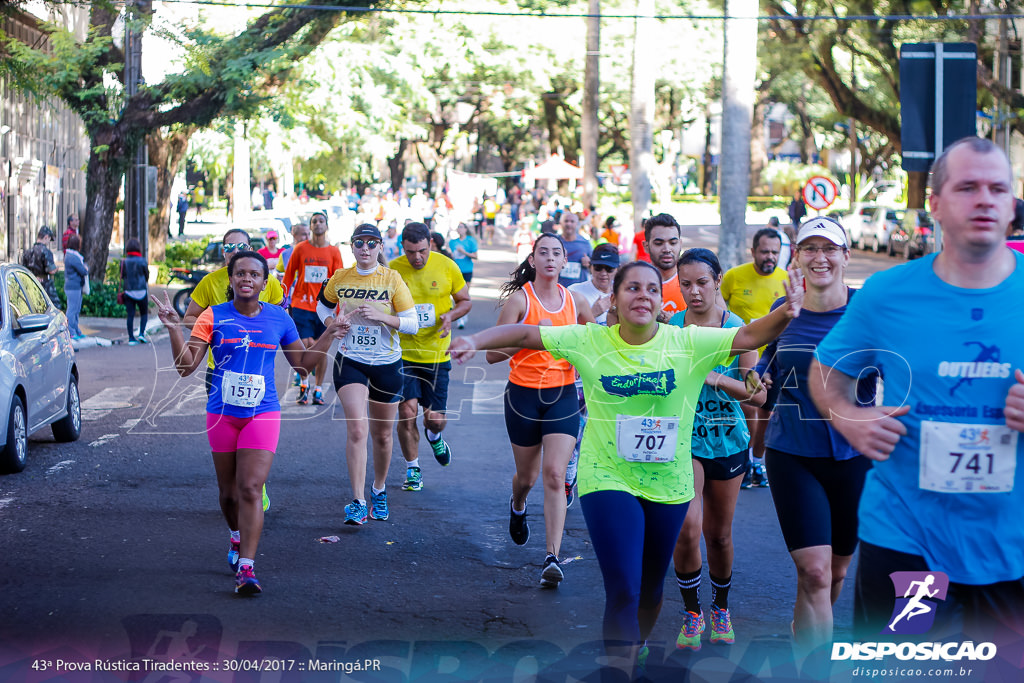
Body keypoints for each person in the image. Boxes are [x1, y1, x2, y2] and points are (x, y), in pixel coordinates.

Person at [450, 259, 804, 673]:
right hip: (607, 477)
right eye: (632, 288)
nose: (643, 296)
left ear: (660, 301)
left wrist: (786, 310)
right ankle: (618, 669)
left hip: (669, 483)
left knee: (652, 589)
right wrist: (475, 341)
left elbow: (747, 335)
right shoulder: (589, 339)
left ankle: (633, 649)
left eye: (652, 289)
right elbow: (527, 332)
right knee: (623, 588)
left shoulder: (688, 342)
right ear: (614, 298)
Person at [810, 137, 1024, 645]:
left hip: (1011, 544)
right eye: (967, 187)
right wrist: (847, 416)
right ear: (934, 204)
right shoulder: (888, 294)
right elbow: (826, 371)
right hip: (906, 536)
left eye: (998, 188)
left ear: (1013, 204)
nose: (985, 200)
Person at [152, 250, 347, 594]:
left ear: (264, 281)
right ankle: (236, 536)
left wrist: (329, 333)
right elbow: (185, 368)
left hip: (263, 412)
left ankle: (247, 567)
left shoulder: (279, 318)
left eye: (254, 275)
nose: (246, 279)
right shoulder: (212, 316)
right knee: (228, 495)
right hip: (222, 415)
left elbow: (302, 364)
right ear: (230, 280)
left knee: (250, 488)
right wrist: (172, 329)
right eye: (239, 273)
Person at [753, 217, 876, 653]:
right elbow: (759, 370)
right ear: (797, 256)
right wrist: (757, 385)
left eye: (829, 248)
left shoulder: (869, 312)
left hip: (854, 458)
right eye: (809, 249)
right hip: (792, 454)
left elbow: (903, 372)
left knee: (836, 573)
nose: (819, 257)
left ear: (845, 255)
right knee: (815, 573)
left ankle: (803, 627)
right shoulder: (785, 311)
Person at [484, 232, 595, 587]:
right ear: (532, 260)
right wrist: (528, 335)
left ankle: (552, 557)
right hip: (523, 397)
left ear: (566, 262)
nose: (549, 258)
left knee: (554, 474)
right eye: (542, 253)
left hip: (562, 395)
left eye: (556, 253)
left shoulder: (576, 301)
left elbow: (597, 345)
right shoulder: (520, 300)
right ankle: (518, 505)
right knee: (528, 477)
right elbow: (492, 354)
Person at [670, 248, 765, 651]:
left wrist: (716, 380)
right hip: (683, 441)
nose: (694, 292)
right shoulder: (671, 328)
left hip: (727, 439)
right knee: (687, 530)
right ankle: (692, 613)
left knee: (718, 536)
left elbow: (757, 396)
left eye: (702, 283)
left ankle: (720, 607)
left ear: (718, 280)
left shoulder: (740, 330)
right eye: (685, 284)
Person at [317, 225, 417, 525]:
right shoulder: (340, 278)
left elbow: (412, 323)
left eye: (371, 243)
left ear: (379, 246)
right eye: (359, 243)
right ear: (351, 246)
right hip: (351, 360)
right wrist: (332, 325)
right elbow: (321, 305)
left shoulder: (392, 278)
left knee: (383, 436)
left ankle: (379, 489)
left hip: (387, 363)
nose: (365, 248)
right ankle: (358, 501)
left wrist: (382, 317)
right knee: (358, 431)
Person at [185, 229, 285, 514]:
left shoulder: (265, 279)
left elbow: (277, 312)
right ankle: (237, 491)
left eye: (240, 245)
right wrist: (215, 323)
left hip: (256, 370)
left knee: (255, 435)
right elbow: (191, 315)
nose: (234, 249)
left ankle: (255, 487)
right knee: (229, 437)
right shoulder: (211, 282)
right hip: (219, 371)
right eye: (228, 246)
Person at [390, 222, 471, 491]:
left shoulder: (446, 265)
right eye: (411, 252)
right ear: (403, 246)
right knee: (406, 411)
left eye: (422, 251)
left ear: (430, 244)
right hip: (403, 353)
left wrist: (450, 315)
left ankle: (434, 437)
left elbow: (464, 301)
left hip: (437, 354)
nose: (417, 257)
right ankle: (413, 469)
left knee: (434, 418)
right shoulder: (392, 269)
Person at [720, 227, 787, 489]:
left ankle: (756, 461)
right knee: (749, 410)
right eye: (764, 251)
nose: (769, 257)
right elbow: (718, 310)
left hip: (774, 362)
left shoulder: (786, 281)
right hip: (740, 360)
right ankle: (744, 462)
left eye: (775, 252)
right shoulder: (735, 277)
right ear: (753, 252)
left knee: (765, 416)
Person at [282, 211, 343, 405]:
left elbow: (339, 280)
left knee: (321, 349)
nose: (318, 224)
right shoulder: (300, 249)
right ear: (310, 226)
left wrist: (340, 309)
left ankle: (318, 389)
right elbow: (289, 276)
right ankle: (304, 383)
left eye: (321, 221)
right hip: (301, 303)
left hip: (324, 307)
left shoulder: (333, 251)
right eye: (314, 221)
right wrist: (282, 300)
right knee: (307, 345)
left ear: (326, 225)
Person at [644, 213, 687, 316]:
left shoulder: (696, 283)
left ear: (680, 244)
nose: (667, 249)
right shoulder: (634, 284)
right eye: (659, 243)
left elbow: (719, 325)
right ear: (646, 246)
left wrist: (675, 323)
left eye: (673, 243)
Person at [120, 238, 150, 345]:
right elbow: (147, 275)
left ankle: (131, 338)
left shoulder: (124, 262)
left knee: (130, 315)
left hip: (129, 291)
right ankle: (141, 333)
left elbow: (122, 275)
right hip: (141, 290)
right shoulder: (142, 261)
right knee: (144, 313)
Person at [448, 222, 478, 329]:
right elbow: (451, 255)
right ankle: (460, 318)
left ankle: (463, 315)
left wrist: (463, 252)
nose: (459, 229)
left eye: (461, 227)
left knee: (465, 295)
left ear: (466, 229)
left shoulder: (471, 241)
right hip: (456, 271)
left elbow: (475, 256)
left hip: (467, 270)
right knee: (456, 295)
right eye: (458, 227)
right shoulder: (452, 242)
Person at [22, 225, 59, 303]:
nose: (49, 242)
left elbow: (23, 269)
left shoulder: (27, 252)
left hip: (30, 285)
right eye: (49, 239)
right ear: (46, 237)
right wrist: (57, 268)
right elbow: (51, 270)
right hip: (45, 286)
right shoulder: (46, 252)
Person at [558, 211, 593, 289]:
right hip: (558, 289)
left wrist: (589, 263)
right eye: (566, 221)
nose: (569, 224)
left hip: (579, 290)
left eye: (572, 221)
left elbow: (595, 266)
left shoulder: (585, 243)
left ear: (577, 224)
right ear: (561, 223)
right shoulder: (554, 241)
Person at [63, 234, 88, 340]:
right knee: (72, 310)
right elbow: (83, 271)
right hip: (73, 287)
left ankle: (76, 330)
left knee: (76, 309)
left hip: (74, 286)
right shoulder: (73, 257)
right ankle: (71, 331)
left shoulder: (69, 255)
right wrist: (86, 268)